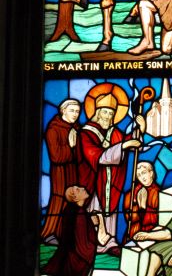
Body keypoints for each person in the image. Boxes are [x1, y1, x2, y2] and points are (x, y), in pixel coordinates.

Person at [76, 85, 144, 254]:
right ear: (97, 112)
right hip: (92, 179)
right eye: (105, 112)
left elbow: (128, 144)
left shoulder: (115, 132)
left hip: (111, 180)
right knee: (94, 210)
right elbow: (96, 156)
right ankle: (90, 241)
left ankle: (109, 242)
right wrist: (124, 145)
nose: (108, 116)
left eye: (111, 114)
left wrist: (140, 130)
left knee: (110, 210)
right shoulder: (86, 133)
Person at [42, 185, 98, 276]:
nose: (82, 188)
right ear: (75, 198)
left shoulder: (70, 210)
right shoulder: (79, 214)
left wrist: (89, 222)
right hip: (75, 267)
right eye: (77, 189)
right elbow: (83, 246)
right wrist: (93, 224)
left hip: (68, 258)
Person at [41, 99, 81, 243]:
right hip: (60, 172)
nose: (75, 114)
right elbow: (56, 156)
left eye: (77, 111)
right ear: (63, 110)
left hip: (73, 171)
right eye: (72, 110)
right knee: (59, 199)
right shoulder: (53, 128)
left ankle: (66, 232)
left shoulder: (76, 128)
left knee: (72, 202)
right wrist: (71, 147)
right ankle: (50, 233)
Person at [123, 161, 160, 241]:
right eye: (139, 175)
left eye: (144, 173)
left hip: (152, 233)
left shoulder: (159, 193)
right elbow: (129, 217)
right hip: (133, 233)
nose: (142, 177)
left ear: (151, 173)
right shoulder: (131, 194)